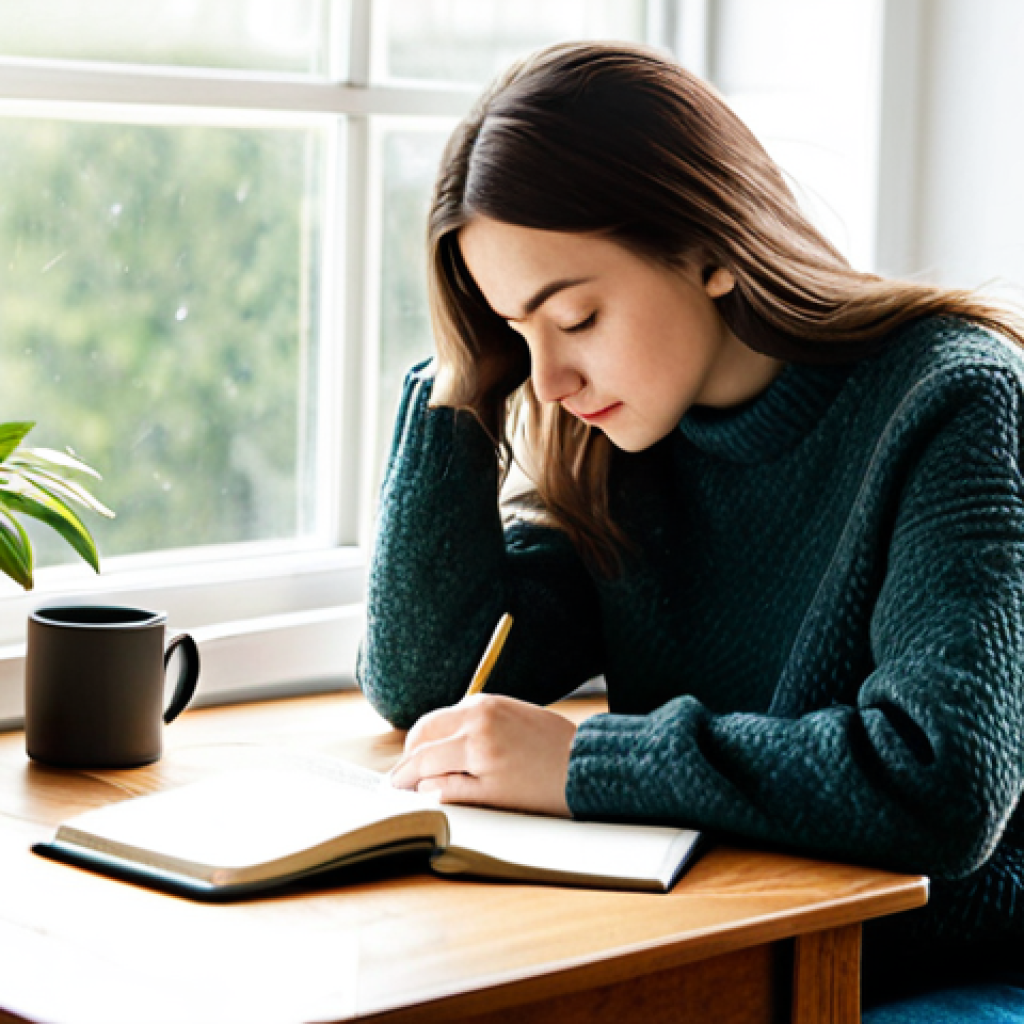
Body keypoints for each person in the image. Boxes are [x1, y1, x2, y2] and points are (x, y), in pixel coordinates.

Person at [357, 41, 1024, 1020]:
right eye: (513, 331)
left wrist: (582, 764)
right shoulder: (621, 440)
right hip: (722, 935)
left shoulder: (953, 401)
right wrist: (456, 382)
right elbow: (431, 676)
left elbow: (940, 782)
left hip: (939, 968)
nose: (548, 380)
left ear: (710, 249)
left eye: (575, 317)